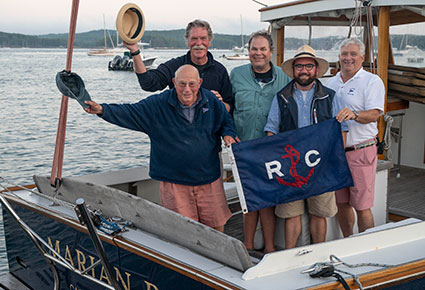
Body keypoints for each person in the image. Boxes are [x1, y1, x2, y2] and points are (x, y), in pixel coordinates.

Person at [84, 65, 237, 232]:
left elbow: (226, 122)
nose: (187, 89)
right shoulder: (158, 104)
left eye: (192, 84)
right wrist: (102, 110)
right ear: (173, 82)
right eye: (182, 84)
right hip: (175, 182)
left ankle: (216, 258)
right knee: (184, 231)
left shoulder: (211, 100)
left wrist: (228, 134)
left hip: (209, 178)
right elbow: (130, 111)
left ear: (200, 83)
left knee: (216, 226)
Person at [264, 45, 348, 248]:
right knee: (291, 215)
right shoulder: (281, 97)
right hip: (291, 167)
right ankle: (289, 255)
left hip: (321, 166)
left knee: (319, 214)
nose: (304, 70)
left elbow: (342, 129)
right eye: (299, 66)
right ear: (293, 70)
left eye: (308, 66)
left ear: (316, 70)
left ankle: (318, 252)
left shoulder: (330, 96)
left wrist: (333, 159)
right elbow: (271, 130)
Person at [230, 30, 291, 254]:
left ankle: (270, 248)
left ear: (271, 52)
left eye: (262, 49)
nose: (258, 53)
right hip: (243, 148)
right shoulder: (236, 75)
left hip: (271, 150)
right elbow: (228, 107)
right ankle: (247, 246)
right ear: (248, 52)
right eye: (254, 49)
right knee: (248, 201)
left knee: (267, 200)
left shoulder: (284, 79)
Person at [327, 38, 385, 237]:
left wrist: (354, 114)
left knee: (361, 206)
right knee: (342, 203)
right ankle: (348, 241)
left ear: (362, 57)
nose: (348, 58)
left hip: (361, 151)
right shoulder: (330, 82)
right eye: (344, 54)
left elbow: (375, 114)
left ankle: (366, 247)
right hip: (336, 154)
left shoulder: (372, 81)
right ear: (339, 57)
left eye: (353, 54)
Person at [124, 19, 234, 112]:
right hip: (178, 132)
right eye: (194, 39)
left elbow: (230, 107)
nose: (199, 43)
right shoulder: (175, 66)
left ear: (209, 41)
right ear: (187, 41)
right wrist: (134, 51)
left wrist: (218, 103)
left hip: (208, 136)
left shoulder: (220, 70)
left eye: (203, 38)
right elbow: (148, 84)